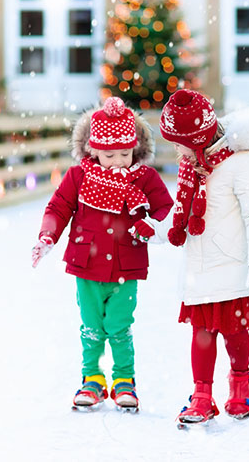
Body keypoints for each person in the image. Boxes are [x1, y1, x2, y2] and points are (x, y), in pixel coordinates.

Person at [130, 89, 249, 426]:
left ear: (196, 140)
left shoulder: (243, 164)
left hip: (234, 266)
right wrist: (155, 230)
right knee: (202, 334)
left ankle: (240, 385)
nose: (176, 150)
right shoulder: (191, 167)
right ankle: (202, 396)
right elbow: (182, 218)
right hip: (199, 268)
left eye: (179, 143)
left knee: (236, 332)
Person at [31, 96, 173, 412]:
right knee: (91, 326)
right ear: (94, 149)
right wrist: (47, 235)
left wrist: (151, 224)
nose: (119, 161)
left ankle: (124, 380)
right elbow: (58, 207)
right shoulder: (79, 177)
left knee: (120, 326)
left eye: (125, 153)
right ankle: (92, 378)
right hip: (87, 265)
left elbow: (165, 208)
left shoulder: (144, 178)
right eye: (110, 154)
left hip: (127, 263)